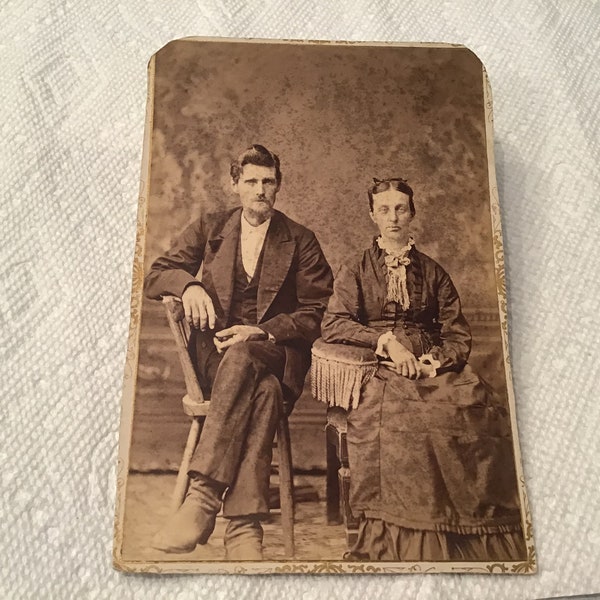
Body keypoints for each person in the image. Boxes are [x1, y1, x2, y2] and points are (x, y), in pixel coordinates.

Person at [321, 177, 526, 562]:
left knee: (471, 404)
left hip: (431, 366)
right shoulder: (356, 269)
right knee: (401, 414)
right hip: (380, 366)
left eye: (400, 208)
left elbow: (457, 334)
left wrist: (434, 363)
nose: (393, 217)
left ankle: (463, 531)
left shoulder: (433, 272)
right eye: (384, 209)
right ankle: (398, 532)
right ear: (372, 216)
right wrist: (384, 342)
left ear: (412, 214)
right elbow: (334, 323)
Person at [144, 144, 333, 559]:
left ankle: (203, 498)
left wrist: (261, 331)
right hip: (214, 360)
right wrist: (189, 285)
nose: (260, 189)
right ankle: (244, 527)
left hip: (275, 352)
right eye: (251, 181)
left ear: (279, 186)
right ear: (235, 186)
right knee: (262, 393)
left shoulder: (300, 240)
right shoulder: (210, 229)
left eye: (268, 181)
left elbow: (317, 313)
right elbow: (155, 275)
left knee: (248, 357)